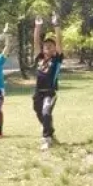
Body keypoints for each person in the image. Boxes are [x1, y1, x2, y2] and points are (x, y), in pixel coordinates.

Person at [33, 14, 64, 150]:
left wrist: (56, 25)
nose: (48, 47)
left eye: (51, 45)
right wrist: (38, 27)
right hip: (37, 93)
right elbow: (35, 42)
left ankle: (47, 138)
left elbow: (60, 43)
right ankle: (50, 131)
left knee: (46, 113)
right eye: (46, 45)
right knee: (39, 113)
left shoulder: (56, 59)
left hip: (50, 93)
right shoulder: (39, 58)